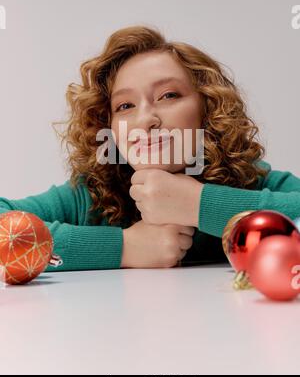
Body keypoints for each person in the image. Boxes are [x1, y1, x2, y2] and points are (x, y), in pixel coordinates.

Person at [1, 25, 300, 272]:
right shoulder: (90, 196)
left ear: (207, 109)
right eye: (125, 105)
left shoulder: (249, 181)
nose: (145, 120)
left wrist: (199, 204)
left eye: (168, 95)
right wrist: (124, 248)